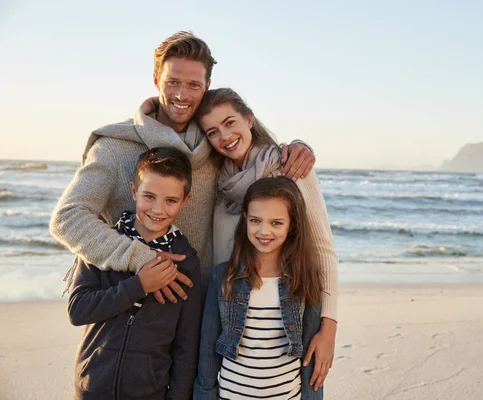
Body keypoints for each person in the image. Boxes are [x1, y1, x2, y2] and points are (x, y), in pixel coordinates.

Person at [50, 31, 315, 304]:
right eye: (172, 82)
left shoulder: (213, 144)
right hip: (128, 308)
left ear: (207, 85)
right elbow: (68, 218)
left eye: (193, 85)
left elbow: (253, 152)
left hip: (199, 309)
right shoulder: (114, 147)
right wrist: (143, 259)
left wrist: (296, 145)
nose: (181, 94)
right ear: (156, 81)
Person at [196, 88, 338, 390]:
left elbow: (323, 250)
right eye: (213, 132)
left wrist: (329, 327)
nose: (224, 136)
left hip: (286, 304)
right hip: (228, 314)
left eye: (230, 122)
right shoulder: (221, 180)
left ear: (249, 119)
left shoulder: (290, 167)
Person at [67, 147, 202, 399]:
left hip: (149, 391)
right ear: (133, 191)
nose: (158, 209)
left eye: (170, 200)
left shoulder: (187, 263)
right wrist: (138, 285)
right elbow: (78, 310)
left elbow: (187, 346)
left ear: (185, 201)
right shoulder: (103, 243)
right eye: (149, 196)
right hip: (93, 385)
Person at [194, 176, 327, 399]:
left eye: (276, 223)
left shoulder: (306, 278)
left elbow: (309, 356)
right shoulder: (223, 276)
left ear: (292, 225)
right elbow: (208, 346)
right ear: (245, 219)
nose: (264, 231)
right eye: (255, 220)